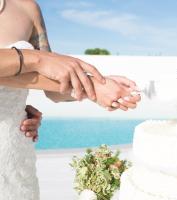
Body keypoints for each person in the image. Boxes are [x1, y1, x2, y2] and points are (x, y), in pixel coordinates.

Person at [0, 0, 141, 199]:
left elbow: (54, 86)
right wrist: (38, 59)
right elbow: (43, 62)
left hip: (13, 153)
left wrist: (95, 84)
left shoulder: (28, 8)